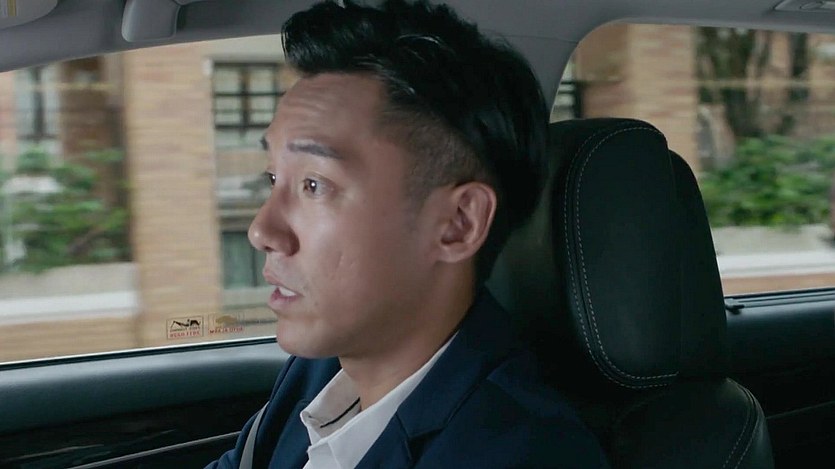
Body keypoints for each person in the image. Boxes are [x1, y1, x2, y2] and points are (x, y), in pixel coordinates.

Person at [207, 0, 609, 467]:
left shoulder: (520, 454)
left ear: (457, 224)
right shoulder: (321, 371)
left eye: (314, 184)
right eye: (273, 178)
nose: (261, 230)